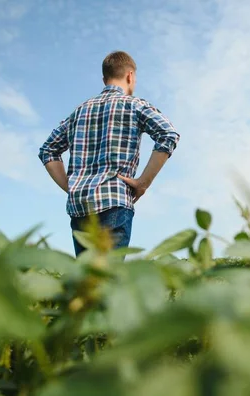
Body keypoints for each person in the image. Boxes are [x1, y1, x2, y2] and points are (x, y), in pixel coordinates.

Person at [38, 50, 180, 256]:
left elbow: (48, 150)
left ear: (104, 79)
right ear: (130, 76)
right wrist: (143, 183)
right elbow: (168, 134)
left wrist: (71, 186)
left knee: (88, 280)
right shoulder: (134, 105)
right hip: (114, 200)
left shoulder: (79, 111)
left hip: (80, 207)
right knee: (109, 279)